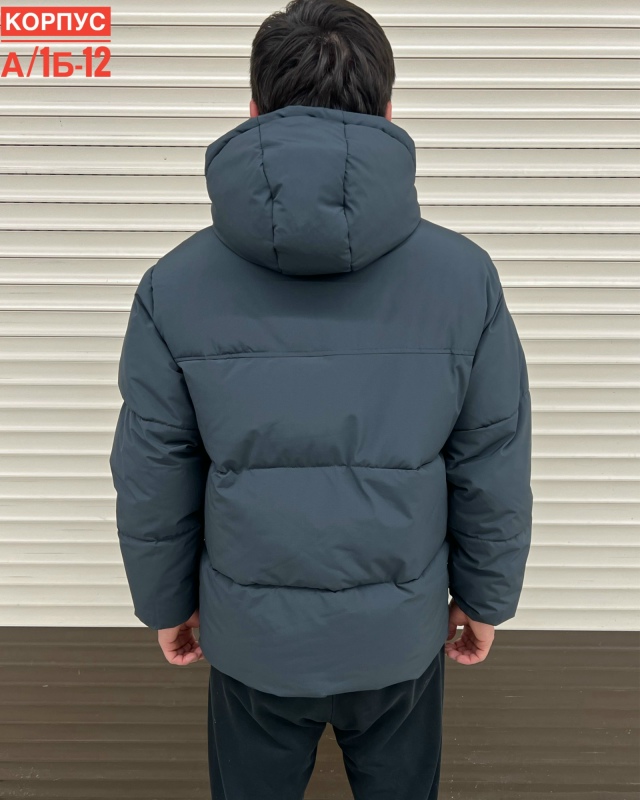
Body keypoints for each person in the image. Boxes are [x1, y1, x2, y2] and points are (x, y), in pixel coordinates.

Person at [109, 0, 533, 797]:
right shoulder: (464, 279)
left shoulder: (174, 285)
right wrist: (485, 600)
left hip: (252, 643)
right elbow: (492, 460)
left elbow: (154, 471)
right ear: (388, 112)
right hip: (400, 639)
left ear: (254, 110)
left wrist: (166, 603)